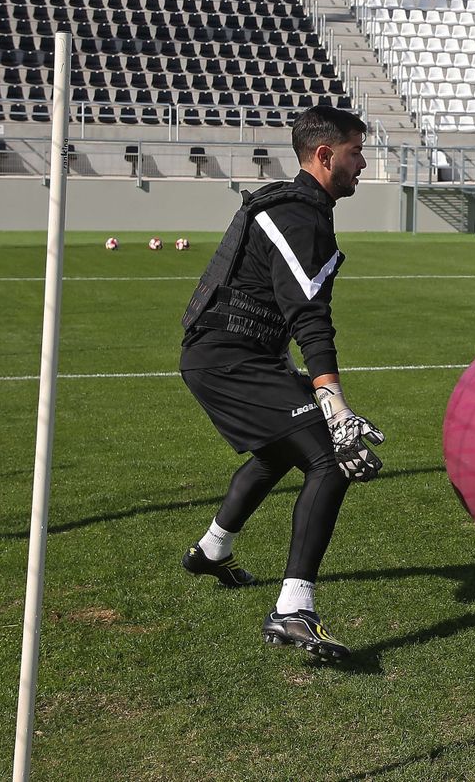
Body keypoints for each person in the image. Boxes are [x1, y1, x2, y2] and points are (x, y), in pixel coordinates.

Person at [178, 104, 386, 663]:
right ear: (325, 156)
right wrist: (334, 404)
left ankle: (210, 551)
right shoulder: (298, 216)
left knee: (275, 455)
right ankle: (292, 610)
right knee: (331, 459)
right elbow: (309, 316)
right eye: (355, 152)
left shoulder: (299, 205)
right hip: (228, 361)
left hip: (233, 356)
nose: (362, 164)